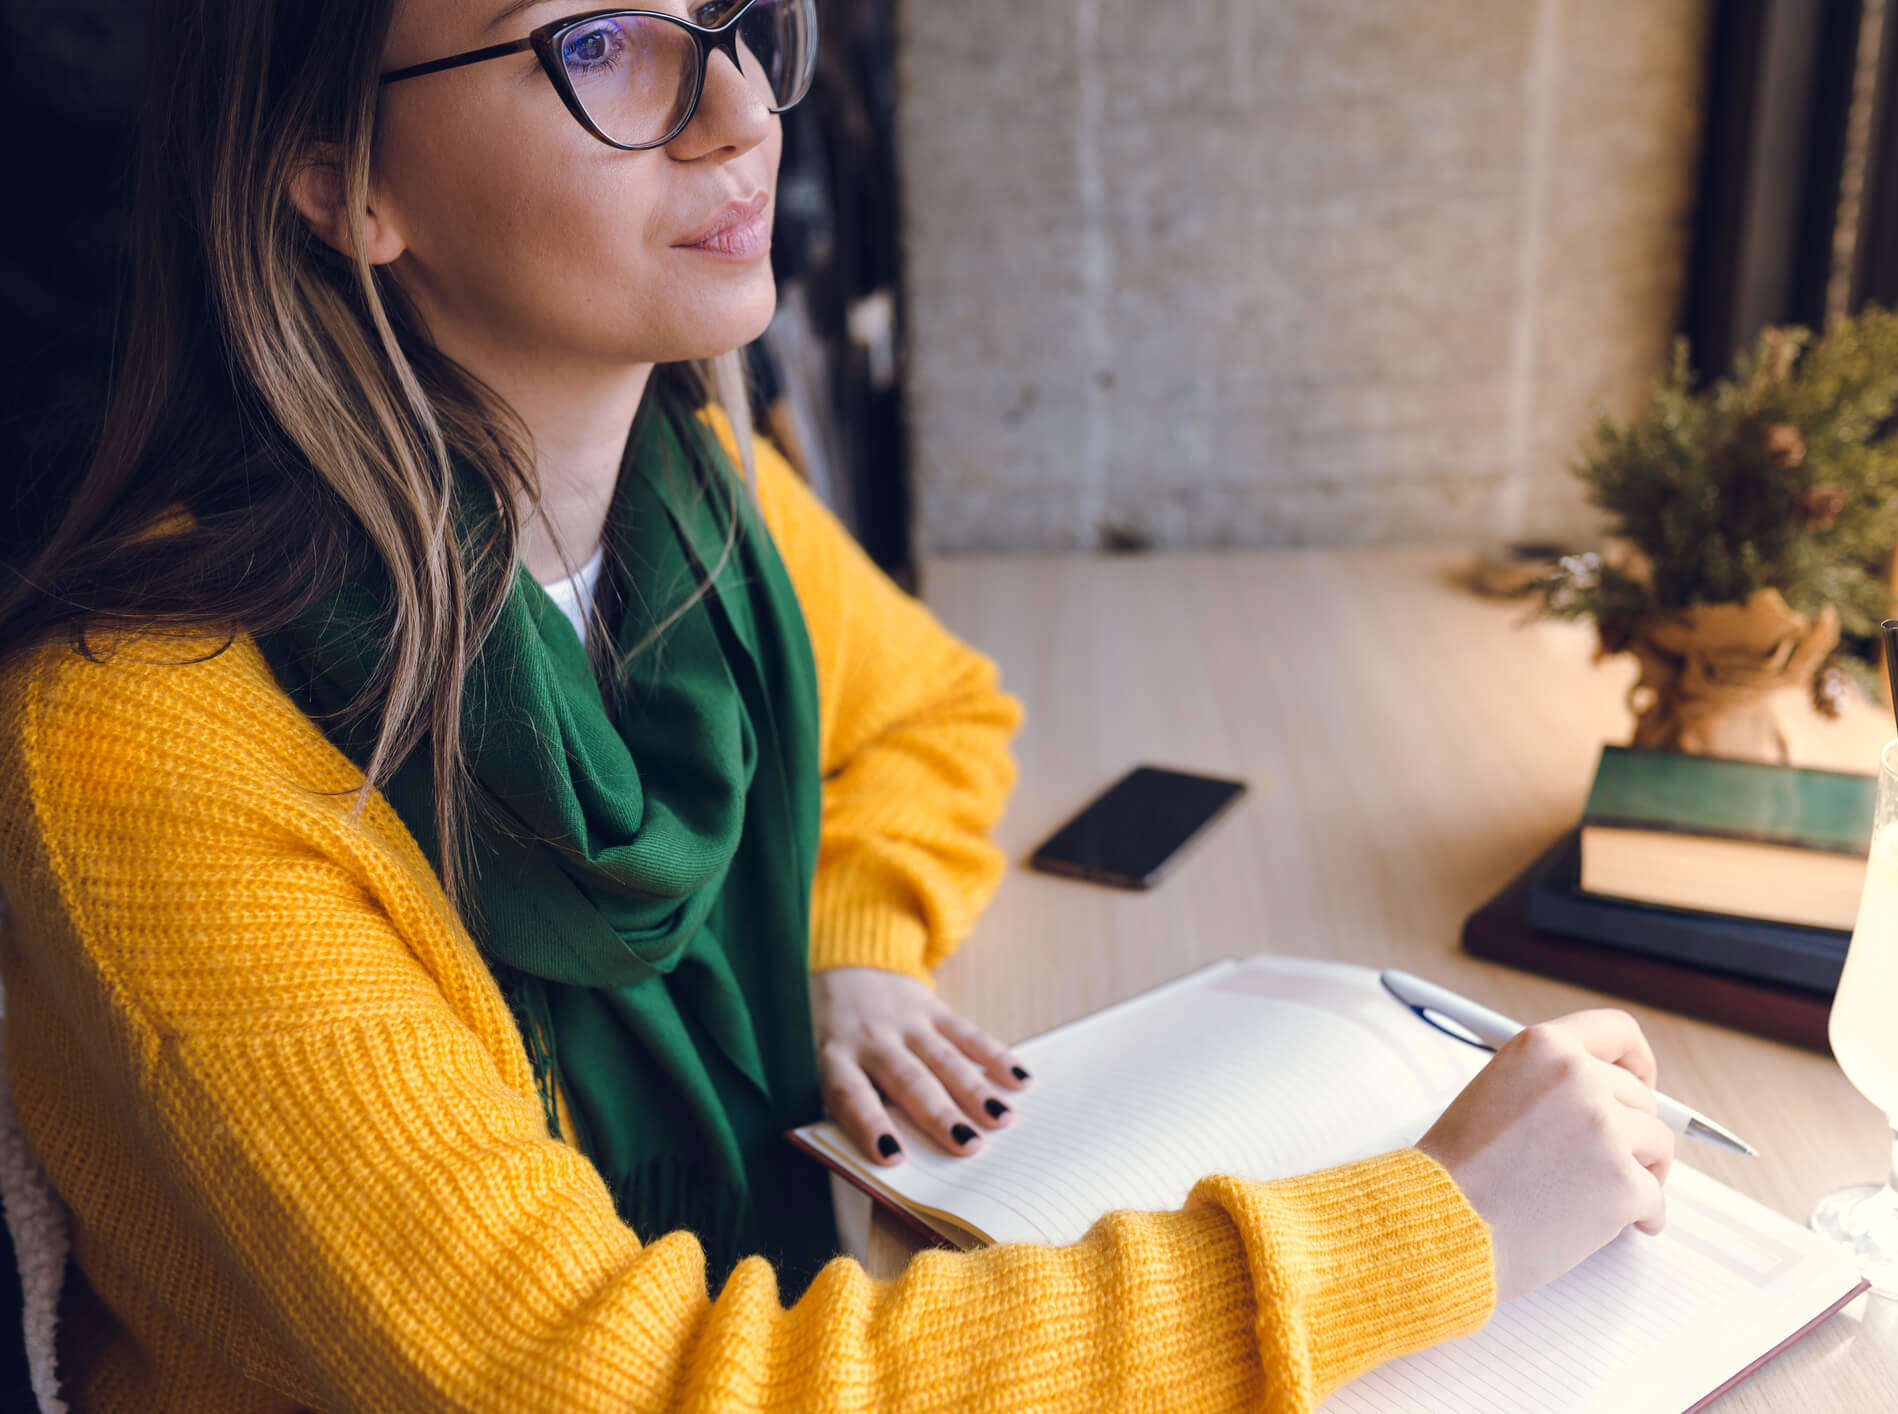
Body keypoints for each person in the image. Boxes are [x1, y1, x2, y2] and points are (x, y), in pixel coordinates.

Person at [0, 0, 1676, 1408]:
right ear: (344, 179)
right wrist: (1436, 1225)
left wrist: (847, 938)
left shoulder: (692, 500)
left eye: (733, 17)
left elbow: (934, 709)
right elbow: (620, 1381)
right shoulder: (145, 743)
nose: (737, 116)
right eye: (602, 44)